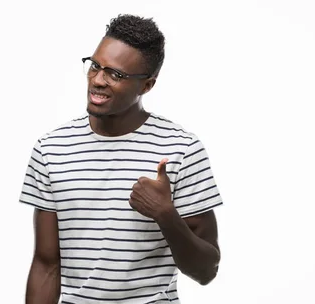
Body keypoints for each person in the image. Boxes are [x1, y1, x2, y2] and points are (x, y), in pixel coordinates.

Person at [18, 14, 223, 304]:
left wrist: (166, 215)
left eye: (115, 74)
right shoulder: (51, 149)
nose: (98, 80)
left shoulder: (182, 149)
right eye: (95, 66)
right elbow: (45, 264)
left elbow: (206, 271)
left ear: (147, 85)